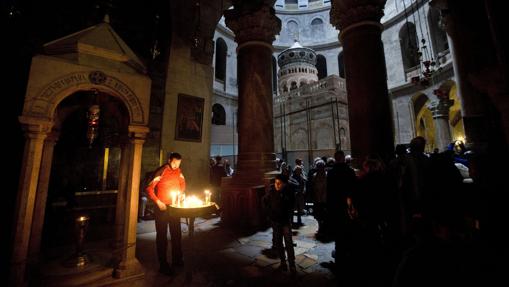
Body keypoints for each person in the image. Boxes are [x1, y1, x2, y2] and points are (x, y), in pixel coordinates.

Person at [146, 152, 186, 276]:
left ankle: (177, 259)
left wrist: (182, 193)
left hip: (174, 207)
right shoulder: (161, 171)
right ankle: (163, 264)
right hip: (162, 208)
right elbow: (149, 188)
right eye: (174, 163)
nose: (176, 166)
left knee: (176, 234)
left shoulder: (179, 171)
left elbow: (182, 183)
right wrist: (158, 202)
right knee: (162, 236)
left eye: (178, 163)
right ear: (169, 160)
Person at [262, 174, 297, 276]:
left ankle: (292, 264)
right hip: (275, 221)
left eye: (279, 183)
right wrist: (269, 214)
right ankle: (283, 262)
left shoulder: (288, 193)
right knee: (278, 243)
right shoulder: (272, 192)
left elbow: (291, 205)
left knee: (288, 243)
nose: (277, 185)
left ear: (285, 184)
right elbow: (264, 201)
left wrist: (288, 213)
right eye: (276, 183)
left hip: (285, 221)